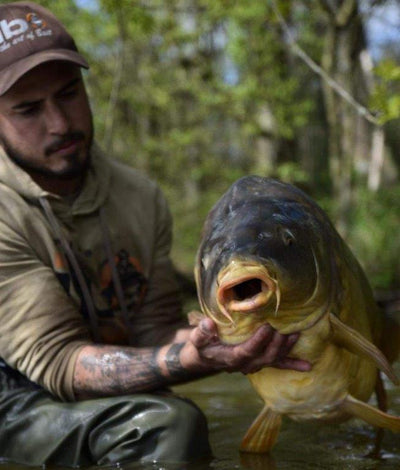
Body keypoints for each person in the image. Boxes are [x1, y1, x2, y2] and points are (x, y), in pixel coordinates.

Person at [0, 2, 311, 467]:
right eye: (27, 110)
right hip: (11, 401)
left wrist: (227, 341)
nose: (60, 123)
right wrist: (194, 361)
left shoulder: (140, 198)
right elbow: (61, 364)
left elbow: (153, 332)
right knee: (168, 425)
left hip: (93, 398)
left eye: (68, 94)